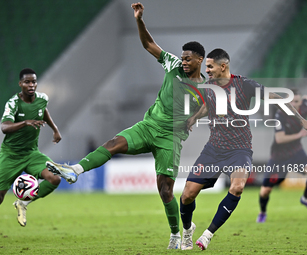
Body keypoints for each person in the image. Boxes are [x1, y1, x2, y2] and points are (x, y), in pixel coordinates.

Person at [46, 2, 206, 249]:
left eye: (188, 59)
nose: (183, 62)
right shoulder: (173, 65)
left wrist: (195, 118)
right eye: (183, 58)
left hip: (170, 139)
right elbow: (148, 45)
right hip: (148, 126)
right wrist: (139, 20)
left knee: (165, 191)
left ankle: (178, 232)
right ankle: (75, 170)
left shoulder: (205, 89)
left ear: (200, 61)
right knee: (113, 144)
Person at [178, 49, 307, 250]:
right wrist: (192, 119)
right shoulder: (209, 86)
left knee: (237, 187)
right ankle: (187, 230)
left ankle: (207, 235)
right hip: (213, 149)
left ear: (223, 66)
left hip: (240, 150)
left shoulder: (245, 85)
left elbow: (277, 98)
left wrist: (302, 120)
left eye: (210, 66)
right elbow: (207, 107)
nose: (206, 70)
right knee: (187, 195)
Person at [0, 68, 62, 237]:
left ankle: (23, 203)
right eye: (27, 82)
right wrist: (25, 122)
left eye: (33, 81)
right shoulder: (13, 103)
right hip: (10, 155)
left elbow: (43, 111)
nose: (31, 84)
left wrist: (55, 129)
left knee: (55, 178)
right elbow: (4, 127)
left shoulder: (42, 98)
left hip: (32, 153)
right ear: (20, 84)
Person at [257, 88, 307, 223]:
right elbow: (279, 138)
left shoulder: (305, 104)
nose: (294, 104)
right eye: (291, 101)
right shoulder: (280, 115)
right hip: (279, 157)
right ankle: (262, 212)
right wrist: (300, 134)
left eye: (297, 101)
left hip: (297, 152)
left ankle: (305, 199)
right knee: (265, 191)